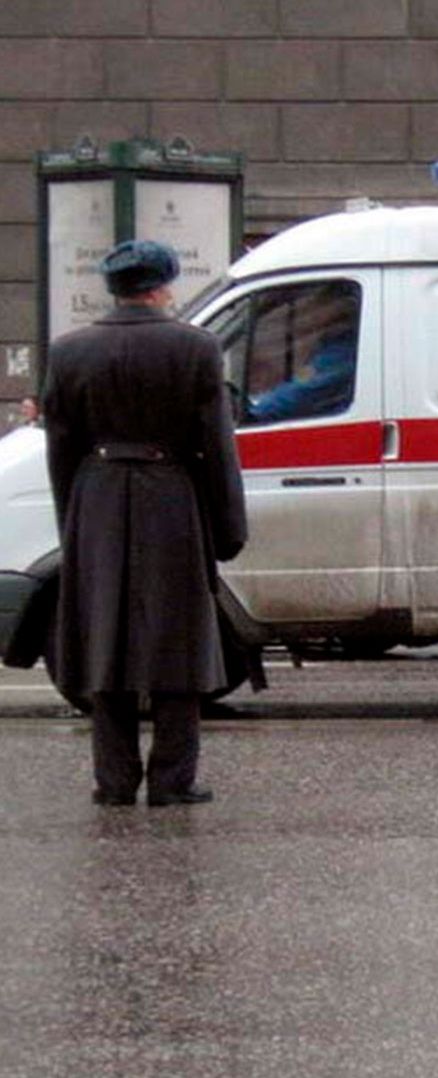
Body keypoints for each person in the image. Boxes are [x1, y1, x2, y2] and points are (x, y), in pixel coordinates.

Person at [40, 239, 247, 807]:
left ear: (115, 288)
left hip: (97, 497)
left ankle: (114, 779)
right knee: (178, 637)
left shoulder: (69, 351)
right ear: (162, 287)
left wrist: (73, 520)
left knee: (103, 638)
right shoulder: (195, 347)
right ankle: (172, 779)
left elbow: (61, 449)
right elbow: (217, 447)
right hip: (171, 496)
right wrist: (228, 526)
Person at [247, 284, 358, 423]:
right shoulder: (330, 344)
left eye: (322, 304)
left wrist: (256, 412)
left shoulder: (341, 354)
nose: (310, 312)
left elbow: (301, 389)